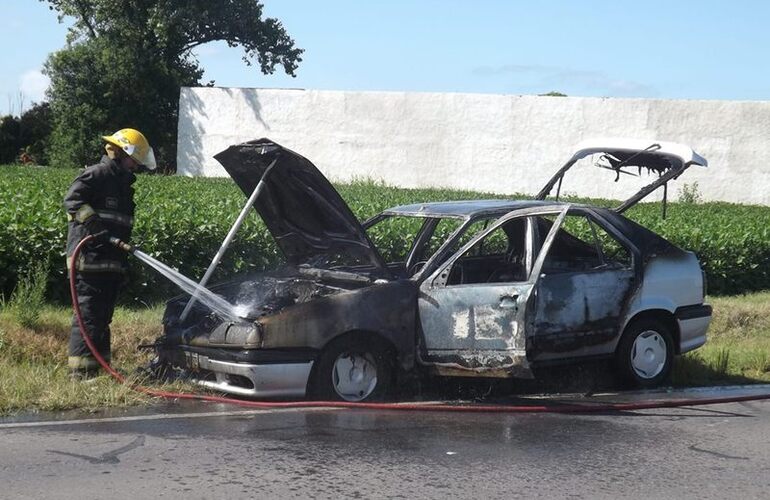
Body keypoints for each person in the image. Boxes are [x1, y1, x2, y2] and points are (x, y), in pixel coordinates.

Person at [64, 128, 156, 379]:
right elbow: (73, 201)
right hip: (90, 259)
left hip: (110, 262)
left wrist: (122, 265)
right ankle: (80, 374)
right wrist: (93, 224)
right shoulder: (98, 174)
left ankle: (101, 368)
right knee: (89, 316)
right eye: (134, 159)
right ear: (121, 153)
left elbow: (120, 226)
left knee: (103, 318)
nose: (136, 165)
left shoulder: (123, 184)